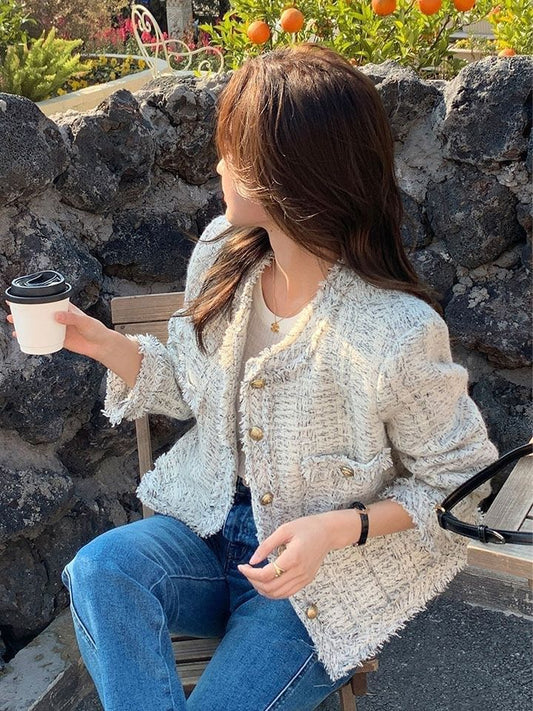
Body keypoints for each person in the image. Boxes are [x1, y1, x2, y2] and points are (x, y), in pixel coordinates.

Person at [9, 44, 498, 710]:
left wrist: (336, 529)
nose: (218, 166)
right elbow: (192, 385)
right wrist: (101, 343)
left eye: (232, 152)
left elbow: (463, 487)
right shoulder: (221, 254)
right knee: (101, 570)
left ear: (285, 174)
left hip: (319, 584)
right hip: (207, 534)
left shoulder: (394, 331)